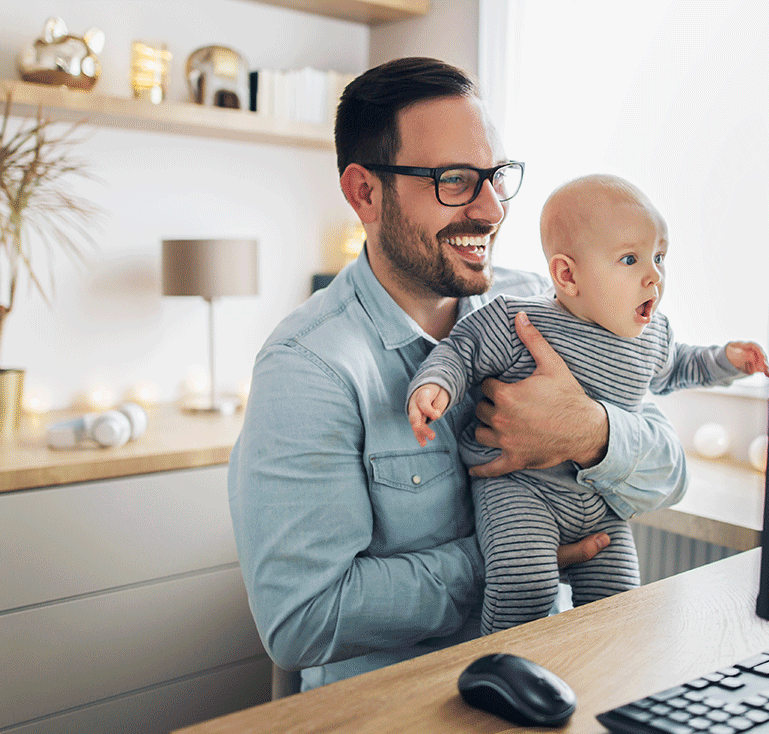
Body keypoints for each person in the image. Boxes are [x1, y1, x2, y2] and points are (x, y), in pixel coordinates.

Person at [227, 58, 692, 691]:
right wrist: (510, 559)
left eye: (496, 177)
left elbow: (670, 477)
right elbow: (304, 620)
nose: (492, 210)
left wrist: (589, 432)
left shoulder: (543, 311)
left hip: (549, 684)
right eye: (454, 180)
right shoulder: (309, 369)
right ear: (364, 192)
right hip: (398, 710)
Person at [407, 174, 769, 633]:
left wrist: (727, 361)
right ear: (567, 275)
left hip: (601, 499)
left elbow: (679, 367)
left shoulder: (652, 334)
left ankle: (604, 687)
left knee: (621, 602)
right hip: (523, 490)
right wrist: (435, 385)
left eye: (660, 257)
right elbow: (461, 351)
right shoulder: (520, 318)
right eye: (630, 259)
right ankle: (505, 672)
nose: (654, 275)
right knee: (526, 585)